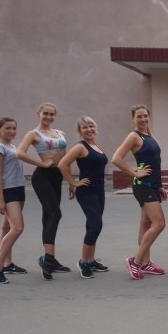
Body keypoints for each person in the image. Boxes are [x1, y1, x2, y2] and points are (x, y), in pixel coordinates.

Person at [111, 104, 167, 280]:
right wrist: (135, 173)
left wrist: (159, 186)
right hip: (142, 185)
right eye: (139, 116)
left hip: (152, 185)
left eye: (145, 116)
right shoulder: (134, 136)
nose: (143, 119)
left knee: (146, 224)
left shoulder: (149, 135)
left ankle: (145, 263)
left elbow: (154, 162)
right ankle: (135, 261)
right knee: (159, 223)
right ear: (133, 119)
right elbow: (116, 158)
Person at [17, 102, 72, 277]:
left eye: (52, 114)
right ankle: (47, 259)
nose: (49, 117)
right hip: (42, 176)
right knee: (55, 213)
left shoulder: (60, 133)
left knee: (49, 215)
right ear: (38, 114)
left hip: (57, 176)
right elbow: (19, 153)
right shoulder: (33, 134)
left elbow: (65, 158)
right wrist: (40, 163)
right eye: (45, 113)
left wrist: (71, 181)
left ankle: (51, 259)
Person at [57, 117, 109, 279]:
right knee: (96, 224)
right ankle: (83, 262)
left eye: (91, 126)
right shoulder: (80, 147)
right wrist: (73, 182)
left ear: (95, 128)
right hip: (86, 192)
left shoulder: (96, 146)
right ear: (80, 131)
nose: (89, 129)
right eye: (84, 127)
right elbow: (62, 164)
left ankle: (91, 260)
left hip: (99, 191)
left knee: (92, 225)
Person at [0, 117, 27, 284]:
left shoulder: (12, 146)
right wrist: (0, 199)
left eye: (14, 128)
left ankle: (8, 263)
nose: (12, 131)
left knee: (7, 227)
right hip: (8, 191)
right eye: (8, 128)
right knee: (17, 228)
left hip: (19, 188)